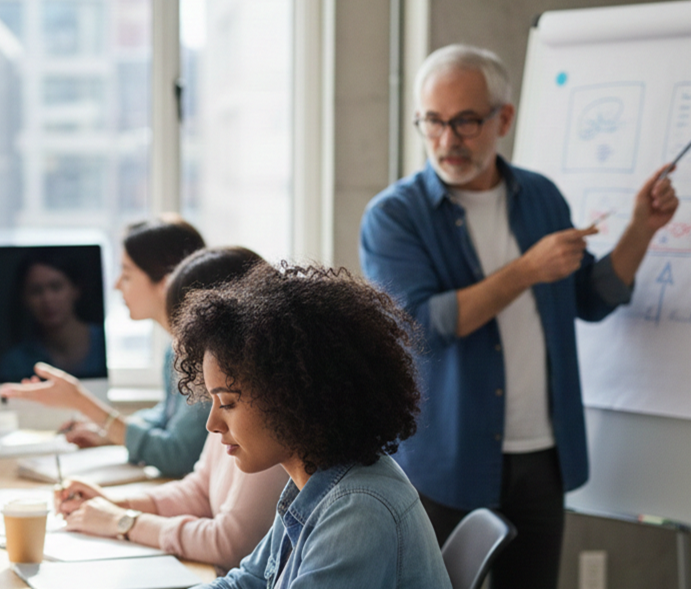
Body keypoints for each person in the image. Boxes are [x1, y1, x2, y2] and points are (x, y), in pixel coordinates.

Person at [358, 44, 679, 589]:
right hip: (446, 455)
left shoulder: (541, 197)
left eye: (465, 121)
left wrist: (642, 229)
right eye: (432, 122)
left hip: (542, 454)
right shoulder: (394, 215)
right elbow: (421, 324)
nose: (446, 140)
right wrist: (526, 270)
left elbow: (592, 297)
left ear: (503, 118)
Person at [171, 263, 450, 588]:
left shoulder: (357, 509)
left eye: (228, 403)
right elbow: (246, 583)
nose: (212, 424)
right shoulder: (315, 481)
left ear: (293, 394)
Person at [52, 247, 289, 573]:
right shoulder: (227, 400)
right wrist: (115, 505)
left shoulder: (268, 420)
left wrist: (124, 522)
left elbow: (230, 544)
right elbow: (199, 490)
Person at [1, 214, 208, 478]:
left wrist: (81, 402)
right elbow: (166, 418)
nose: (116, 284)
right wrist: (108, 432)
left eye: (127, 274)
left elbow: (178, 455)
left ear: (165, 283)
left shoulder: (201, 356)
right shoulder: (175, 348)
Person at [0, 250, 107, 381]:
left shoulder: (105, 343)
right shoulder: (16, 362)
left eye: (56, 287)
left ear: (76, 289)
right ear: (24, 299)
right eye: (36, 291)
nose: (47, 299)